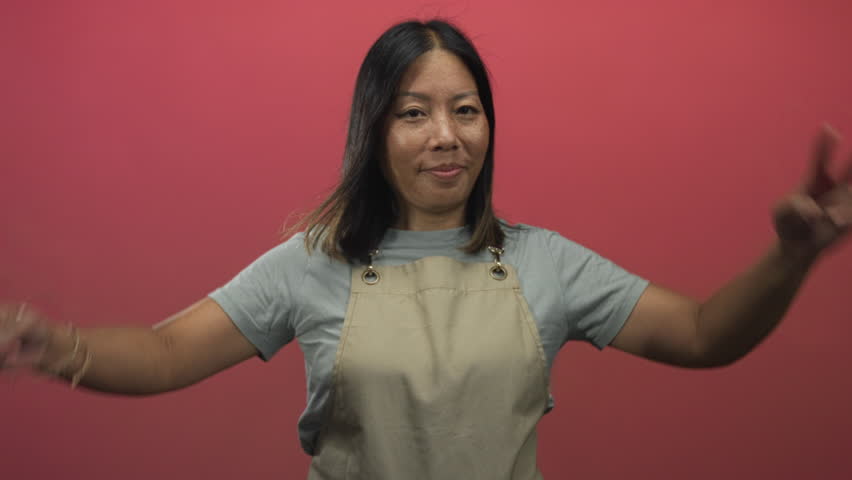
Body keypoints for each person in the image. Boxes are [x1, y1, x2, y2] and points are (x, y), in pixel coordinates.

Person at [1, 19, 850, 480]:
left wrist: (791, 258)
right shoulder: (313, 261)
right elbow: (163, 351)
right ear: (374, 132)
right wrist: (51, 345)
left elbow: (704, 336)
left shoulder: (546, 262)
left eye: (466, 110)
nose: (445, 136)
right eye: (414, 112)